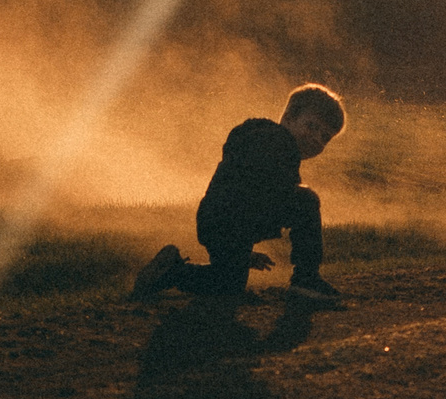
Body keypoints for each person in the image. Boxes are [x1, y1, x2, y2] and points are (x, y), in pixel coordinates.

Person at [132, 84, 348, 305]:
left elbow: (249, 193)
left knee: (227, 283)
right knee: (306, 200)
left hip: (217, 223)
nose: (316, 139)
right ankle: (306, 278)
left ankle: (171, 272)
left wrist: (241, 253)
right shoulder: (277, 142)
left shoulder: (262, 139)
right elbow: (263, 195)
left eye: (325, 137)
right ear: (290, 117)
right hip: (229, 222)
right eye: (312, 127)